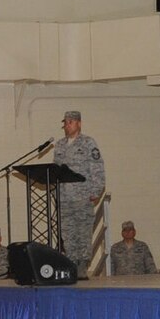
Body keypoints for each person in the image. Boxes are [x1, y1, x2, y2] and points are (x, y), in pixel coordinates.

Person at [53, 111, 106, 277]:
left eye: (70, 122)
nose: (67, 125)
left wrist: (96, 190)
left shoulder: (88, 143)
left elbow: (97, 169)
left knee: (83, 232)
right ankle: (71, 264)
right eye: (66, 122)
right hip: (65, 198)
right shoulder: (60, 145)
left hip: (83, 196)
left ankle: (82, 265)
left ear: (79, 123)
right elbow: (56, 170)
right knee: (68, 233)